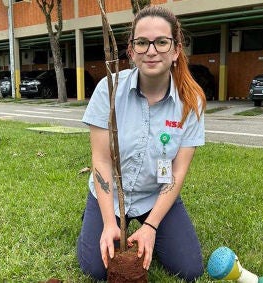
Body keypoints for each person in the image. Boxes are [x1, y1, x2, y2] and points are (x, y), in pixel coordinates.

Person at [77, 5, 206, 282]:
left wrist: (151, 225)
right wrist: (110, 222)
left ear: (175, 50)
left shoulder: (191, 102)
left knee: (190, 269)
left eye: (161, 42)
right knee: (96, 269)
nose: (151, 50)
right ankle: (95, 218)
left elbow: (177, 171)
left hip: (155, 195)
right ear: (131, 49)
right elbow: (100, 161)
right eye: (142, 42)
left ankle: (148, 232)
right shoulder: (108, 90)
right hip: (110, 196)